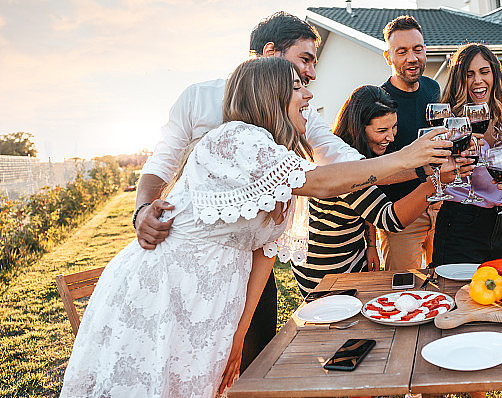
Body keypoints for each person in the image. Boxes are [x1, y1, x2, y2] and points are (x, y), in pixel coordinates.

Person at [61, 58, 449, 398]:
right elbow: (321, 182)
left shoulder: (278, 159)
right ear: (270, 96)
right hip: (167, 293)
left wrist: (238, 334)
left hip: (214, 306)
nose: (308, 96)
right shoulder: (234, 139)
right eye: (297, 87)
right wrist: (406, 158)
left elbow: (264, 253)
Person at [133, 12, 365, 372]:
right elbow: (162, 161)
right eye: (304, 59)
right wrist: (143, 209)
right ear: (269, 53)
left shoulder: (298, 111)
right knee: (182, 366)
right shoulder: (199, 97)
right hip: (190, 267)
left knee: (250, 366)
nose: (312, 75)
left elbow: (340, 158)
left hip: (253, 262)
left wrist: (412, 164)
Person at [292, 86, 456, 295]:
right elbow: (390, 219)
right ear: (359, 127)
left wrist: (371, 245)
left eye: (394, 127)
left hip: (353, 253)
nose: (391, 137)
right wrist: (435, 182)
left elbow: (368, 202)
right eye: (381, 131)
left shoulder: (362, 154)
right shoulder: (344, 164)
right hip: (326, 267)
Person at [432, 43, 502, 266]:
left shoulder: (500, 117)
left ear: (494, 76)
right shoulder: (450, 122)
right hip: (460, 223)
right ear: (461, 80)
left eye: (484, 72)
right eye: (469, 74)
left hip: (498, 222)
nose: (478, 80)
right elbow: (434, 169)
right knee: (459, 295)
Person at [378, 15, 441, 270]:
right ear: (388, 56)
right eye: (401, 51)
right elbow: (375, 171)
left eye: (418, 49)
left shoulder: (433, 89)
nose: (412, 58)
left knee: (446, 283)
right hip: (402, 217)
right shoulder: (379, 100)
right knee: (405, 291)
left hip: (440, 205)